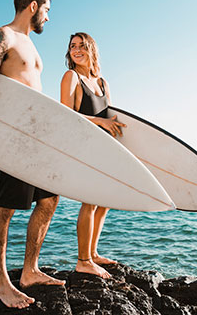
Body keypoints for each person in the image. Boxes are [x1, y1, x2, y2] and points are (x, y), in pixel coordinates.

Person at [0, 0, 64, 310]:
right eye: (48, 10)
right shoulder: (3, 36)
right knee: (6, 207)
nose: (49, 18)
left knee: (49, 199)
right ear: (34, 6)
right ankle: (0, 282)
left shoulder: (29, 45)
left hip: (36, 138)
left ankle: (29, 270)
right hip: (13, 137)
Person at [60, 32, 126, 279]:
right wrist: (99, 122)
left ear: (92, 50)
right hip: (83, 146)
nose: (76, 50)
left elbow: (111, 117)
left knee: (104, 201)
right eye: (72, 46)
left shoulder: (102, 83)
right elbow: (65, 114)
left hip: (104, 148)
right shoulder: (71, 77)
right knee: (90, 201)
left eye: (82, 46)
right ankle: (83, 260)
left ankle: (93, 252)